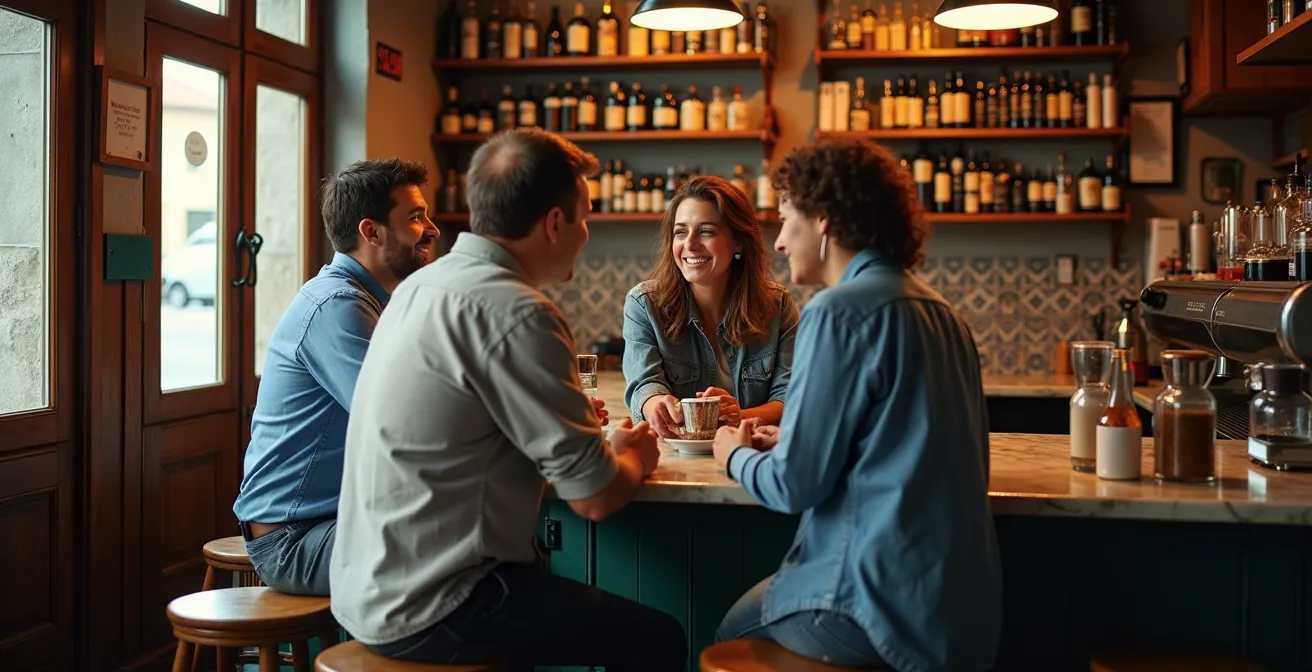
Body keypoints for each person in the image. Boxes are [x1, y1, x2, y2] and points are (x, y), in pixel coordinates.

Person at [329, 128, 688, 672]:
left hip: (365, 593)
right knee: (659, 638)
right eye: (584, 216)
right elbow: (594, 496)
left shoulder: (419, 288)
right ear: (553, 223)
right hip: (440, 606)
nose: (586, 232)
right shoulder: (520, 311)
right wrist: (635, 453)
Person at [710, 139, 1002, 671]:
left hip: (873, 607)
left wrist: (731, 451)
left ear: (822, 220)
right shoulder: (944, 314)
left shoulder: (836, 312)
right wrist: (790, 440)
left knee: (726, 630)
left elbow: (793, 486)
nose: (777, 243)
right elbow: (895, 445)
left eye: (786, 219)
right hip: (960, 611)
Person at [232, 158, 439, 596]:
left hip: (332, 520)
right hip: (294, 538)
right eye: (416, 217)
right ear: (372, 232)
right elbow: (403, 420)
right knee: (464, 545)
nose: (432, 228)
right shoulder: (338, 306)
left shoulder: (371, 301)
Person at [623, 175, 798, 439]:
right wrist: (655, 405)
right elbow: (644, 385)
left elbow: (790, 396)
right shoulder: (644, 304)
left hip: (753, 454)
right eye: (680, 232)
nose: (690, 244)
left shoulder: (778, 306)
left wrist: (739, 416)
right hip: (679, 457)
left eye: (706, 231)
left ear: (738, 241)